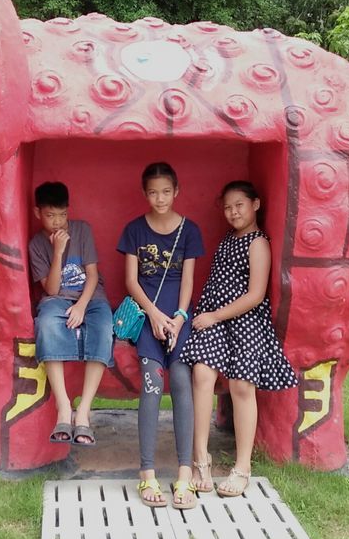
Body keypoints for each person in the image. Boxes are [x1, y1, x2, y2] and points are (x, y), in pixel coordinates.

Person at [182, 180, 297, 497]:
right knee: (202, 373)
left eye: (239, 205)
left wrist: (216, 316)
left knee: (241, 385)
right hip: (215, 317)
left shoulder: (257, 243)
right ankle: (200, 459)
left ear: (255, 204)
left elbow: (256, 295)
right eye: (228, 207)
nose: (233, 212)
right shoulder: (227, 240)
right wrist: (211, 315)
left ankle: (242, 467)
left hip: (245, 319)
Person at [118, 161, 204, 509]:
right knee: (152, 381)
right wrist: (153, 315)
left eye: (166, 192)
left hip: (179, 318)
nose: (160, 198)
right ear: (145, 194)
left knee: (182, 379)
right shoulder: (134, 230)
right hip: (147, 314)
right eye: (153, 192)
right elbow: (130, 280)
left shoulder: (190, 230)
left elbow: (187, 279)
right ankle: (147, 473)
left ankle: (184, 476)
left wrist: (180, 317)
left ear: (176, 191)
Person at [28, 181, 114, 447]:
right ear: (37, 213)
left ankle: (84, 412)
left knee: (103, 328)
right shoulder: (36, 245)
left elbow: (92, 276)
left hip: (91, 297)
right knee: (46, 325)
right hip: (56, 300)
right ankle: (64, 408)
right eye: (50, 215)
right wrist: (58, 252)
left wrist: (80, 306)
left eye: (62, 215)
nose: (57, 222)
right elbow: (52, 289)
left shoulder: (82, 230)